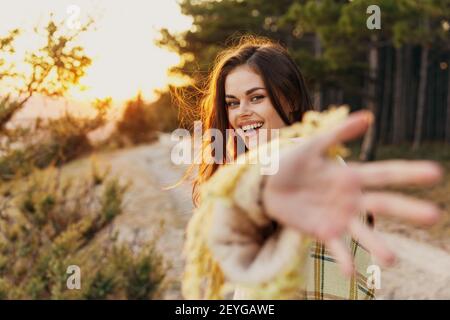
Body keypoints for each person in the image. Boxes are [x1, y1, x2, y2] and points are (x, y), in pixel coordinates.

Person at [180, 36, 442, 300]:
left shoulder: (309, 164)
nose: (242, 112)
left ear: (291, 99)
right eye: (232, 103)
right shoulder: (254, 168)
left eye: (256, 98)